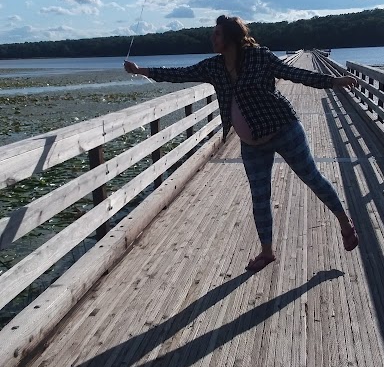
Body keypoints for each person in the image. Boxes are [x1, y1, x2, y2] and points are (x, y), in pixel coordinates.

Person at [124, 15, 359, 272]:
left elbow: (293, 73)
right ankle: (267, 252)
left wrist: (332, 82)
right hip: (251, 143)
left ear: (231, 37)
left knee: (313, 178)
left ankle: (345, 223)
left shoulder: (260, 56)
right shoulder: (214, 67)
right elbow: (180, 74)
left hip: (283, 128)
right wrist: (141, 71)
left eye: (217, 34)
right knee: (260, 198)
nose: (212, 38)